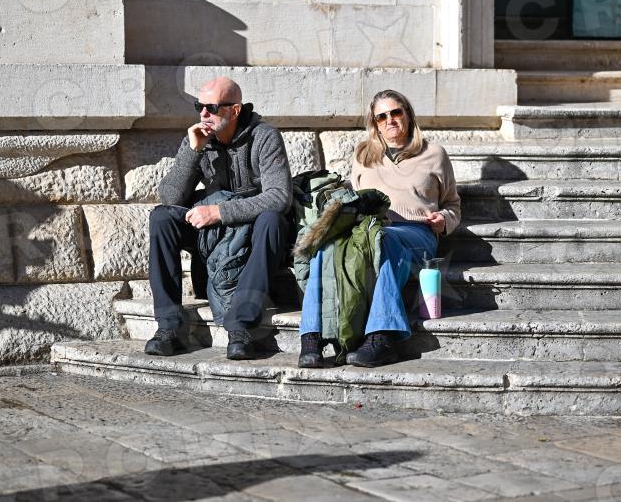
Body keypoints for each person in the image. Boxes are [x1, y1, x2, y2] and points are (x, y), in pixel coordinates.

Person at [298, 89, 461, 367]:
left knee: (382, 240)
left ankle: (382, 337)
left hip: (416, 233)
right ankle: (311, 336)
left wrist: (444, 220)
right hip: (369, 229)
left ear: (408, 115)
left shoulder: (434, 153)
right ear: (375, 123)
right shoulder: (364, 154)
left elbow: (453, 204)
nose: (390, 120)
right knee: (327, 246)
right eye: (381, 116)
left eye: (396, 112)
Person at [144, 76, 292, 360]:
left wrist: (219, 212)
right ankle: (168, 328)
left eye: (211, 107)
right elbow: (171, 198)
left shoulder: (264, 137)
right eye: (199, 106)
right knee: (162, 217)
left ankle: (240, 328)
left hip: (251, 229)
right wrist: (194, 151)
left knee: (273, 220)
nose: (203, 114)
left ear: (234, 110)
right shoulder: (199, 139)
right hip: (213, 234)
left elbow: (279, 196)